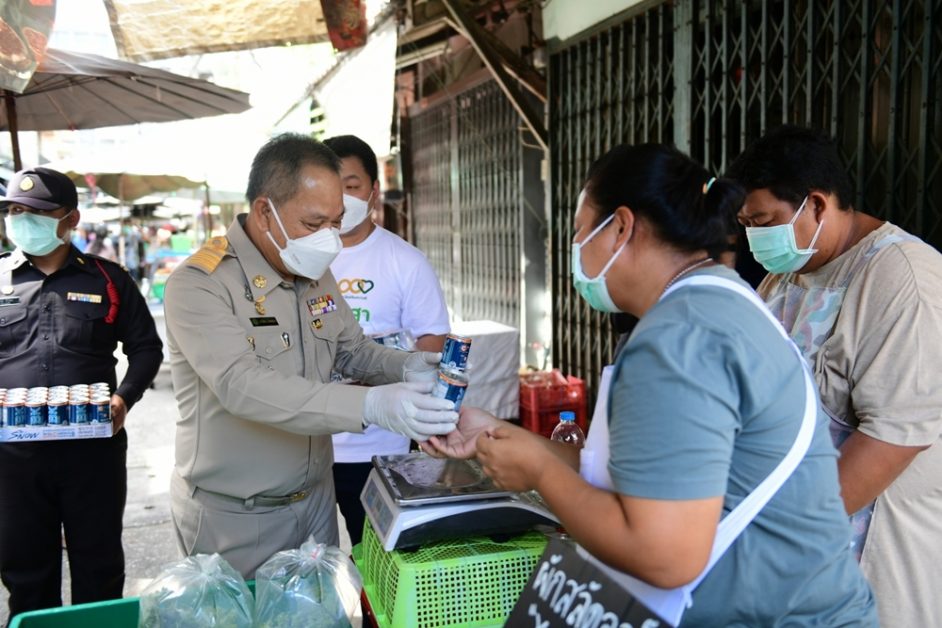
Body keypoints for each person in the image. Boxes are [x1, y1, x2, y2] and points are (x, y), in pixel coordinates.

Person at [425, 144, 877, 625]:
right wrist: (500, 436)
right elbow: (653, 477)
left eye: (580, 233)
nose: (577, 253)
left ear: (620, 226)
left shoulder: (678, 336)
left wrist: (539, 471)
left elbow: (664, 555)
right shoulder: (715, 302)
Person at [163, 133, 459, 578]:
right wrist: (372, 405)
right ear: (265, 212)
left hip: (315, 504)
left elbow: (352, 351)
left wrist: (408, 366)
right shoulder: (201, 284)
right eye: (314, 223)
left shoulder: (310, 269)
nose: (330, 240)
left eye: (336, 224)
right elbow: (242, 386)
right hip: (237, 517)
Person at [729, 125, 942, 626]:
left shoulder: (903, 280)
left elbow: (890, 441)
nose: (752, 237)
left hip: (865, 570)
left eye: (763, 221)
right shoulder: (787, 276)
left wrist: (773, 533)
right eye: (746, 223)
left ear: (817, 206)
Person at [0, 167, 163, 618]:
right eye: (14, 210)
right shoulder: (0, 279)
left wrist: (124, 397)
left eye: (34, 212)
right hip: (14, 456)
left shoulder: (108, 280)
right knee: (24, 567)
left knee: (99, 564)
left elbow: (147, 348)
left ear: (70, 219)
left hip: (92, 450)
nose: (20, 219)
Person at [323, 134, 451, 545]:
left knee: (376, 560)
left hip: (376, 447)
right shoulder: (301, 259)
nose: (341, 198)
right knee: (309, 565)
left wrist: (383, 369)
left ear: (374, 192)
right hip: (306, 444)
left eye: (352, 185)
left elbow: (435, 342)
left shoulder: (404, 261)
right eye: (330, 185)